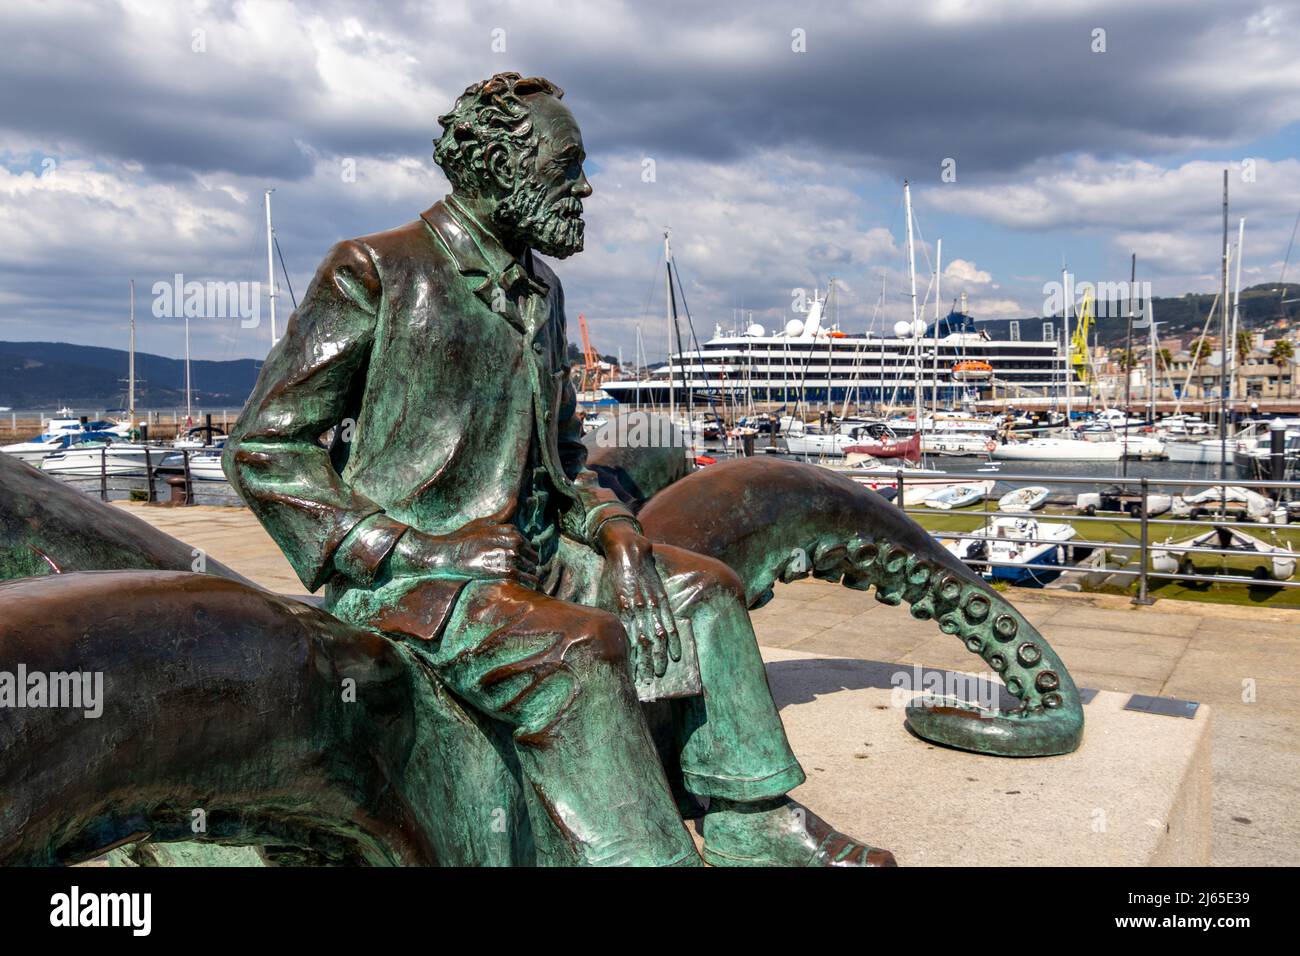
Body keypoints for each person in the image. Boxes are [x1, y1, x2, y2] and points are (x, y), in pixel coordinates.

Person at [225, 72, 890, 867]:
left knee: (707, 596)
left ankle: (751, 816)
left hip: (539, 559)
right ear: (502, 168)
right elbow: (265, 447)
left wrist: (613, 529)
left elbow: (564, 456)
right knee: (581, 654)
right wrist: (412, 548)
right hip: (416, 584)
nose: (586, 186)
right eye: (568, 165)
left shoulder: (543, 290)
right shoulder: (375, 270)